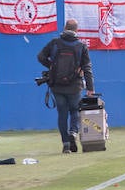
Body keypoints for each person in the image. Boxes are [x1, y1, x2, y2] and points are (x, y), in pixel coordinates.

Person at [37, 18, 96, 154]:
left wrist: (51, 66)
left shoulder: (54, 43)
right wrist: (90, 88)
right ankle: (73, 132)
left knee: (62, 114)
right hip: (74, 85)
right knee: (75, 111)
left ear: (64, 28)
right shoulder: (81, 46)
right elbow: (87, 68)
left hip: (57, 85)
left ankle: (66, 143)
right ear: (77, 30)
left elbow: (40, 56)